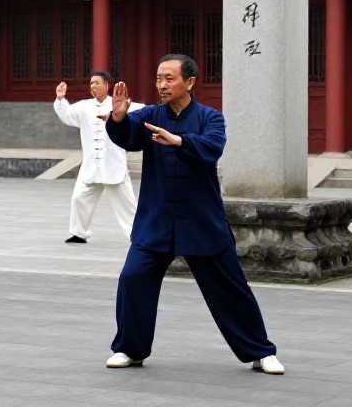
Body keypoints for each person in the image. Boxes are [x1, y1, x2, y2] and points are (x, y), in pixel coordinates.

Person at [103, 54, 284, 375]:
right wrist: (118, 119)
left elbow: (212, 148)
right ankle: (130, 348)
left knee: (230, 288)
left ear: (189, 82)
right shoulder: (149, 115)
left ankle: (260, 351)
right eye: (158, 78)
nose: (161, 85)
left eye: (169, 79)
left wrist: (179, 141)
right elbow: (128, 136)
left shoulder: (210, 118)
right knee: (133, 278)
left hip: (201, 221)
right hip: (157, 220)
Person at [54, 72, 140, 244]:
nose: (93, 86)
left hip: (113, 165)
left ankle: (137, 235)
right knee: (79, 198)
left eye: (97, 83)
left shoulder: (119, 104)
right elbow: (67, 115)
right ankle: (79, 233)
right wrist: (61, 99)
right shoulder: (83, 107)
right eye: (91, 83)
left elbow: (143, 111)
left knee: (128, 205)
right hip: (91, 166)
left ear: (106, 85)